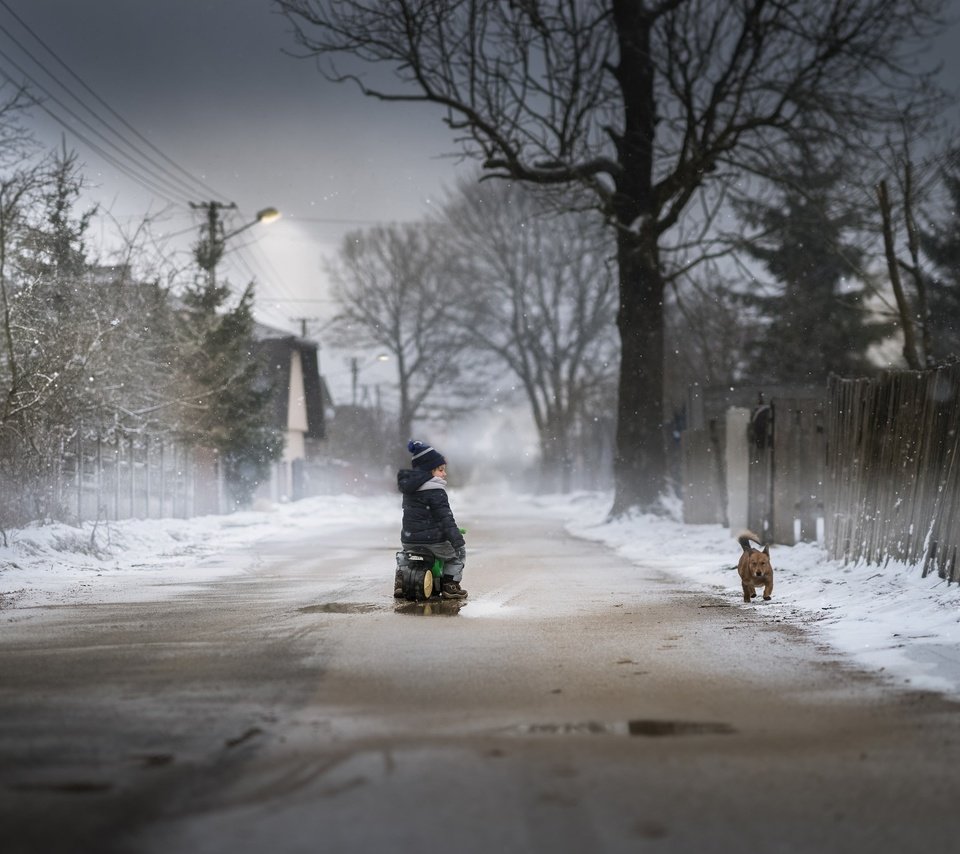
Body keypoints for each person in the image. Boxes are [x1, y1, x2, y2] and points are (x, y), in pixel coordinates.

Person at [396, 439, 467, 599]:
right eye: (441, 470)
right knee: (457, 555)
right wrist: (456, 539)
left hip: (410, 539)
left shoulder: (410, 490)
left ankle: (400, 581)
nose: (444, 474)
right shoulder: (436, 491)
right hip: (433, 541)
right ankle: (450, 585)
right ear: (429, 471)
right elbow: (445, 519)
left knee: (405, 557)